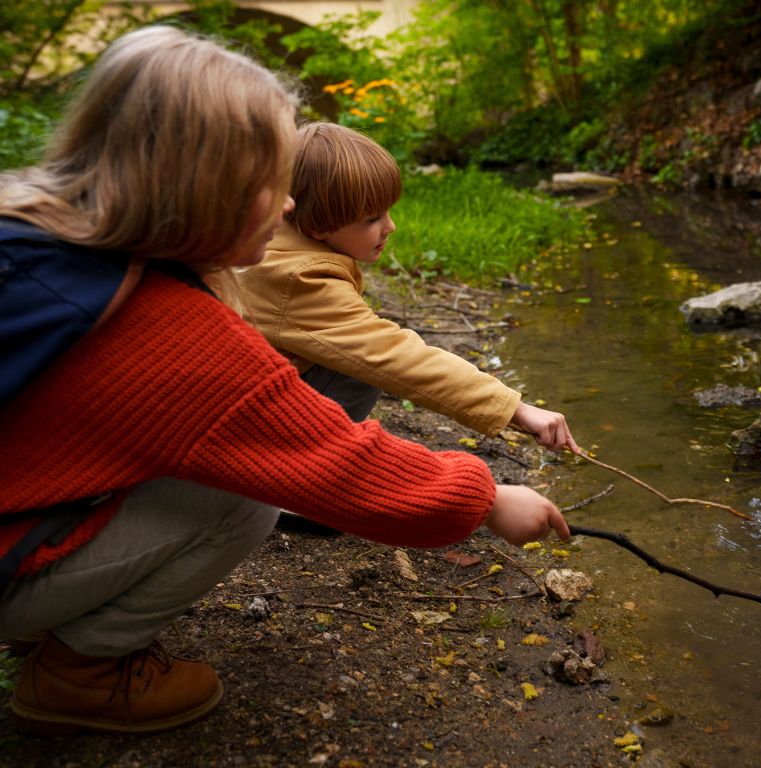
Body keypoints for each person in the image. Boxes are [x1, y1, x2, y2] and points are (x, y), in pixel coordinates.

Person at [0, 26, 568, 736]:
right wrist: (483, 498)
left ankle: (58, 599)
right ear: (211, 192)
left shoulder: (27, 227)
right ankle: (79, 675)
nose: (292, 207)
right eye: (275, 183)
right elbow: (336, 460)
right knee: (240, 499)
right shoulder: (169, 332)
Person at [237, 123, 580, 453]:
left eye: (387, 212)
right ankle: (311, 467)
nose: (391, 226)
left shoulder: (277, 244)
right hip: (242, 431)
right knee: (360, 369)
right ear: (315, 224)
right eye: (371, 219)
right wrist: (513, 409)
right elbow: (394, 357)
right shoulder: (298, 278)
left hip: (243, 403)